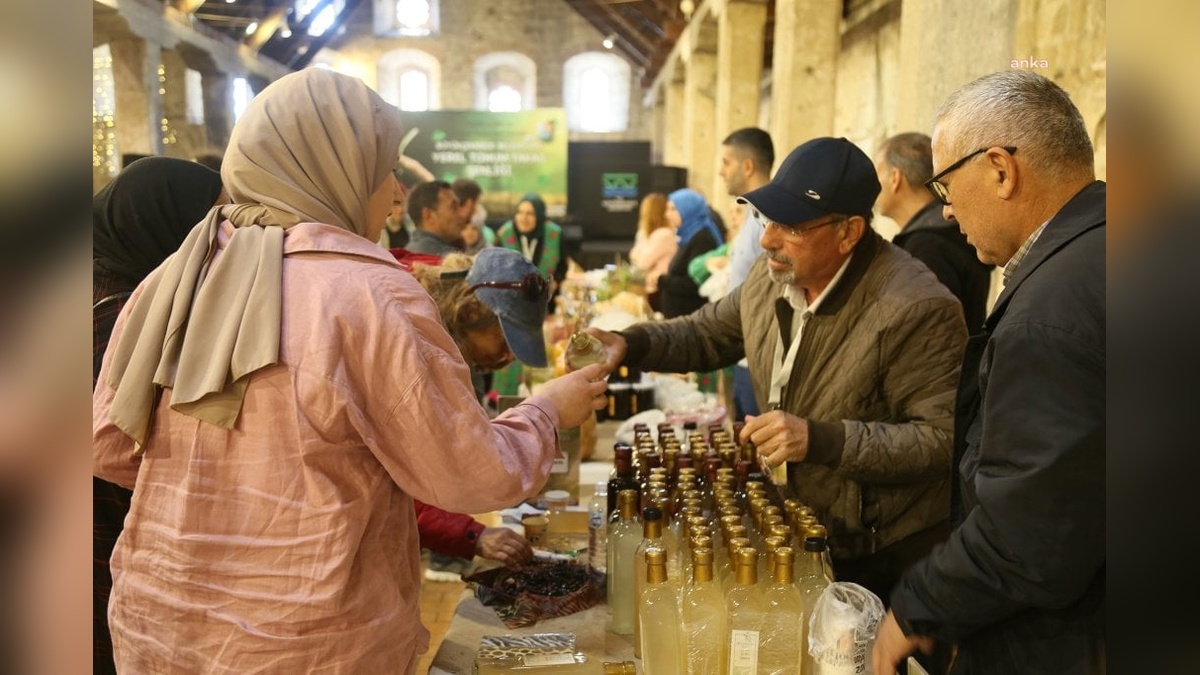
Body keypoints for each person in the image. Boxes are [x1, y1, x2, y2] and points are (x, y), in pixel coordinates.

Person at [92, 68, 607, 673]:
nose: (396, 194)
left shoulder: (173, 277)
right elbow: (472, 475)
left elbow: (110, 447)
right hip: (305, 639)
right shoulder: (367, 294)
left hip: (163, 627)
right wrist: (547, 410)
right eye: (385, 170)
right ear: (333, 169)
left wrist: (231, 486)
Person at [578, 137, 967, 605]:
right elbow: (705, 334)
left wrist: (819, 439)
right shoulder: (772, 278)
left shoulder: (915, 307)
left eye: (791, 226)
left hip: (883, 551)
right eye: (766, 219)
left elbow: (942, 439)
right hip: (808, 528)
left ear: (849, 232)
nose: (767, 240)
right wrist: (631, 343)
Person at [873, 71, 1105, 675]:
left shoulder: (1049, 312)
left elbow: (1031, 530)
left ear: (1000, 170)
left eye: (946, 185)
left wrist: (917, 606)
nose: (947, 211)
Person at [92, 156, 225, 675]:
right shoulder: (126, 318)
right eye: (211, 222)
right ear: (166, 225)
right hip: (103, 540)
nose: (222, 239)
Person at [874, 132, 994, 332]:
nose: (874, 186)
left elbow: (928, 332)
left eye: (877, 175)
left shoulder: (926, 246)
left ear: (895, 178)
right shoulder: (945, 233)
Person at [718, 127, 775, 420]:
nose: (721, 171)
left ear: (748, 166)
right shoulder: (752, 213)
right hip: (743, 353)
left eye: (726, 162)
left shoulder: (767, 218)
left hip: (758, 359)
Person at [493, 192, 566, 396]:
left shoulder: (554, 234)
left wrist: (555, 282)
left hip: (543, 312)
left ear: (540, 215)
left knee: (541, 368)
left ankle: (541, 402)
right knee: (510, 359)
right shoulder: (504, 234)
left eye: (530, 213)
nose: (524, 218)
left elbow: (562, 266)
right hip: (511, 313)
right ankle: (506, 400)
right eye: (520, 212)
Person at [656, 188, 723, 319]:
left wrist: (662, 280)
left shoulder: (702, 239)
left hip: (690, 320)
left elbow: (693, 284)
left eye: (672, 209)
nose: (667, 214)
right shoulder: (688, 237)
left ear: (687, 210)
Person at [627, 191, 675, 307]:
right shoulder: (651, 234)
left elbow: (642, 263)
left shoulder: (663, 234)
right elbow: (633, 254)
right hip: (654, 289)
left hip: (657, 290)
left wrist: (639, 255)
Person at [405, 179, 463, 256]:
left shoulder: (408, 251)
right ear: (428, 215)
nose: (461, 214)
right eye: (454, 207)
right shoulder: (446, 258)